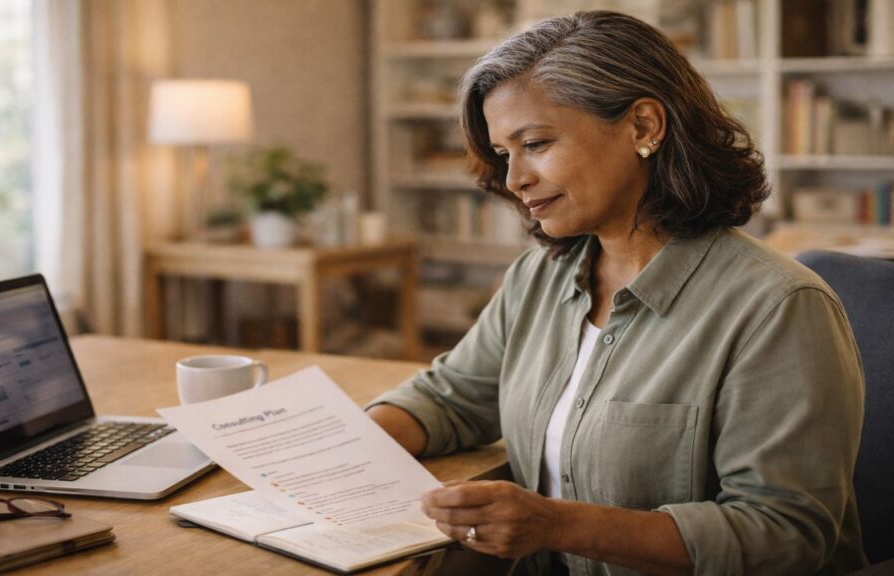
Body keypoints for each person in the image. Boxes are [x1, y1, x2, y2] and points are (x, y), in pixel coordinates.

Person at [367, 11, 867, 576]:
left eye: (535, 143)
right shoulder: (541, 275)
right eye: (505, 154)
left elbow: (784, 535)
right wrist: (340, 446)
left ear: (644, 127)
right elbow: (453, 395)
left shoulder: (778, 306)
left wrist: (558, 525)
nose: (513, 180)